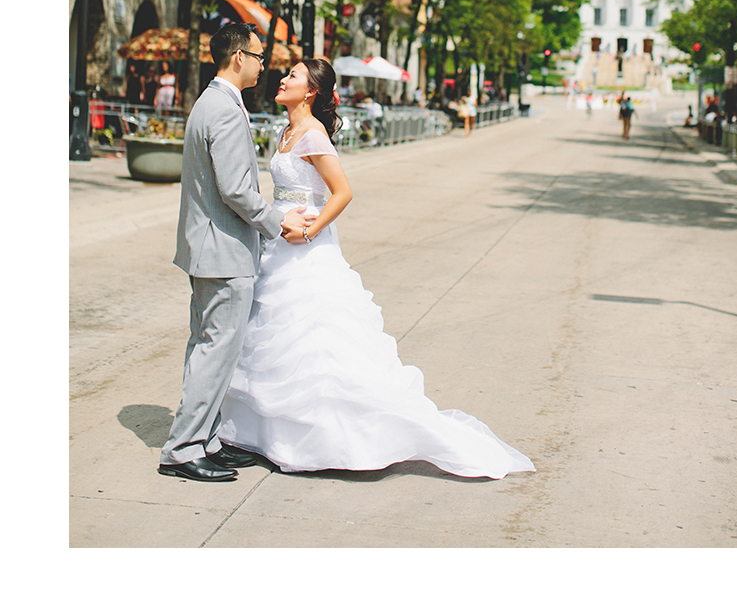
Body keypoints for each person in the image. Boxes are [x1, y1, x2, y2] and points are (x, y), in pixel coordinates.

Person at [217, 56, 533, 479]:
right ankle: (271, 435)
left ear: (310, 91)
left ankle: (327, 438)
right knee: (272, 338)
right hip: (277, 245)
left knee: (316, 339)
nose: (283, 79)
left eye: (292, 75)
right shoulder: (286, 131)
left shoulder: (313, 134)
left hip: (305, 248)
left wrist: (309, 230)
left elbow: (342, 192)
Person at [158, 23, 308, 483]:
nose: (265, 66)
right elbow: (237, 189)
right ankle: (183, 449)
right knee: (216, 350)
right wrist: (276, 223)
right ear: (239, 57)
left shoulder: (213, 102)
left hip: (209, 248)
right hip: (222, 250)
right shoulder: (222, 108)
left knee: (207, 346)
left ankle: (205, 439)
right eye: (260, 57)